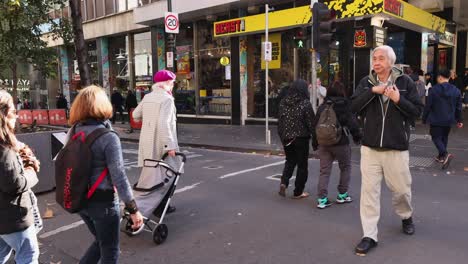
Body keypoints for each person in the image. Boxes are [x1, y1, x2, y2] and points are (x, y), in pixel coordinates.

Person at [351, 45, 423, 256]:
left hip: (396, 148)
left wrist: (397, 99)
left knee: (401, 190)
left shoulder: (405, 82)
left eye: (381, 58)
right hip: (370, 148)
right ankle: (369, 235)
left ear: (391, 62)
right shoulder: (366, 83)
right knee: (369, 194)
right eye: (374, 58)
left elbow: (418, 111)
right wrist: (373, 91)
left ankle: (405, 215)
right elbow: (353, 106)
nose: (376, 61)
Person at [67, 85, 143, 264]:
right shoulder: (108, 137)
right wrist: (133, 209)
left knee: (100, 241)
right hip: (103, 203)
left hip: (80, 200)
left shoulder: (74, 131)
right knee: (110, 251)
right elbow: (119, 177)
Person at [0, 90, 40, 264]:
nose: (16, 116)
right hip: (12, 218)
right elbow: (13, 184)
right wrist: (31, 170)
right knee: (28, 257)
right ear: (4, 114)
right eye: (13, 112)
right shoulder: (3, 149)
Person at [132, 70, 180, 216]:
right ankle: (161, 206)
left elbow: (135, 115)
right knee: (169, 174)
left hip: (147, 142)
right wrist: (169, 145)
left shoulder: (147, 97)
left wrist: (148, 119)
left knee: (151, 175)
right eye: (171, 83)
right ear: (165, 83)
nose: (172, 86)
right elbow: (164, 123)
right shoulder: (167, 99)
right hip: (161, 143)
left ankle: (148, 204)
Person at [312, 81, 362, 209]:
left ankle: (322, 199)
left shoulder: (322, 107)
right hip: (341, 143)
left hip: (323, 143)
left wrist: (315, 143)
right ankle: (342, 195)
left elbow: (315, 126)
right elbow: (352, 123)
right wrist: (357, 137)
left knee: (324, 171)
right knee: (345, 167)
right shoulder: (344, 105)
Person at [277, 79, 315, 199]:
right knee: (302, 165)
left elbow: (280, 121)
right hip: (301, 138)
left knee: (290, 161)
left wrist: (282, 136)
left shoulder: (283, 102)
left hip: (286, 137)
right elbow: (311, 123)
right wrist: (315, 139)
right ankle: (298, 191)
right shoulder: (305, 103)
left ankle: (284, 182)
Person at [422, 69, 463, 169]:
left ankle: (444, 154)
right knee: (444, 137)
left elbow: (428, 106)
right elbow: (458, 107)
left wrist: (424, 118)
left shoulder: (433, 90)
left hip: (436, 118)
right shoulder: (456, 91)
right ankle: (441, 157)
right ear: (449, 77)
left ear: (440, 77)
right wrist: (459, 120)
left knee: (435, 137)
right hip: (449, 119)